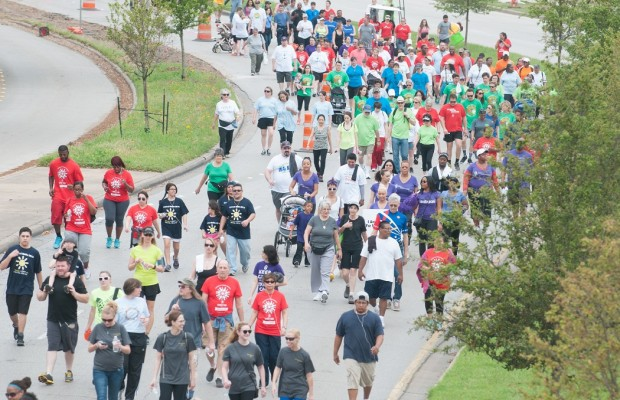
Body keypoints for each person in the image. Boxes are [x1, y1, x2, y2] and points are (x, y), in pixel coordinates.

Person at [36, 254, 89, 385]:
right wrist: (45, 291)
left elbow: (86, 299)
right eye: (58, 266)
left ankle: (69, 371)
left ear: (68, 266)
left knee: (69, 348)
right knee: (52, 346)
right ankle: (49, 374)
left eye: (62, 266)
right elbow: (40, 297)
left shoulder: (75, 280)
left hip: (69, 320)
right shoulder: (50, 279)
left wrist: (74, 292)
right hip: (53, 319)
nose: (60, 268)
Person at [333, 291, 384, 400]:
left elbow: (380, 335)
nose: (361, 305)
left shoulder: (375, 318)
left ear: (367, 304)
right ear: (355, 303)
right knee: (352, 380)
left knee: (368, 381)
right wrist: (335, 353)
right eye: (358, 302)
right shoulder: (345, 317)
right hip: (351, 355)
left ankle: (366, 398)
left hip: (369, 355)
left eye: (363, 303)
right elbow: (338, 336)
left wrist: (377, 346)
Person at [201, 260, 244, 388]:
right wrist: (203, 320)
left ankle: (219, 376)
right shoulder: (209, 281)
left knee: (222, 349)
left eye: (225, 267)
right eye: (220, 267)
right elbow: (203, 302)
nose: (223, 270)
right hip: (211, 320)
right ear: (217, 269)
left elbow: (239, 304)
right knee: (209, 349)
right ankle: (213, 365)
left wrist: (242, 322)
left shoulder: (234, 282)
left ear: (229, 269)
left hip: (226, 320)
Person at [0, 227, 42, 347]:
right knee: (12, 312)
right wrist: (10, 256)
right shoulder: (12, 249)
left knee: (23, 312)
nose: (25, 238)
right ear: (19, 237)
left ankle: (20, 335)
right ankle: (16, 325)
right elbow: (1, 267)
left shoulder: (35, 253)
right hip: (12, 287)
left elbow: (38, 271)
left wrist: (41, 287)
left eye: (27, 236)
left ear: (30, 238)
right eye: (23, 236)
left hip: (27, 288)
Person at [359, 221, 403, 327]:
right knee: (370, 297)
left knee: (384, 298)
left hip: (387, 276)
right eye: (386, 229)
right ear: (380, 229)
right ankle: (376, 308)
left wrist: (400, 274)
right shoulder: (371, 240)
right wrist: (360, 270)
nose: (389, 231)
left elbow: (398, 260)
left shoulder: (394, 243)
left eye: (390, 229)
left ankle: (381, 318)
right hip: (372, 275)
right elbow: (364, 257)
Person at [248, 272, 289, 387]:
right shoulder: (259, 296)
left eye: (272, 282)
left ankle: (274, 378)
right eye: (267, 282)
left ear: (275, 283)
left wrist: (284, 327)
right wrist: (248, 326)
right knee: (263, 356)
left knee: (274, 356)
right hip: (261, 330)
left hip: (275, 331)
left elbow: (285, 312)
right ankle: (263, 379)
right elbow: (255, 312)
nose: (270, 284)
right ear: (264, 283)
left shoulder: (280, 296)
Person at [167, 278, 215, 370]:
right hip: (177, 341)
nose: (180, 288)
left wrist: (211, 342)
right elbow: (166, 321)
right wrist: (172, 311)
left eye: (183, 286)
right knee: (179, 368)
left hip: (194, 341)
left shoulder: (199, 303)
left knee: (192, 368)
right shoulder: (176, 300)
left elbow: (207, 323)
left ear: (190, 289)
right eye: (179, 286)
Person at [150, 310, 198, 399]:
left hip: (182, 378)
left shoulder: (188, 338)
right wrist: (154, 378)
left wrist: (193, 378)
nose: (183, 323)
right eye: (180, 321)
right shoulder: (162, 338)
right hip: (166, 378)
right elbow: (158, 359)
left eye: (183, 321)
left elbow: (192, 359)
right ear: (173, 322)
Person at [88, 301, 131, 400]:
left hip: (116, 370)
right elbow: (89, 349)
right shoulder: (98, 328)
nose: (106, 322)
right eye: (104, 320)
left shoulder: (120, 328)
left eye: (109, 320)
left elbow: (128, 350)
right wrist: (97, 345)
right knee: (101, 397)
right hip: (100, 369)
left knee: (113, 397)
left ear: (114, 316)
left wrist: (120, 346)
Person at [116, 278, 150, 400]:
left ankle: (130, 396)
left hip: (139, 336)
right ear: (131, 288)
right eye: (138, 287)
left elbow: (147, 316)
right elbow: (114, 322)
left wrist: (145, 320)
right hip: (124, 336)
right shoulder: (118, 302)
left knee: (135, 370)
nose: (140, 290)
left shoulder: (141, 301)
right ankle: (119, 387)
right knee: (123, 367)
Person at [127, 226, 164, 339]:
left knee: (149, 309)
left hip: (151, 283)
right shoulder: (135, 250)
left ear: (152, 236)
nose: (148, 237)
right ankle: (136, 331)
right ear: (142, 235)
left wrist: (153, 266)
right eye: (146, 234)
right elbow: (129, 267)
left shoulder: (157, 250)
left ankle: (146, 333)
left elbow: (162, 268)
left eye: (150, 235)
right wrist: (135, 263)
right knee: (137, 308)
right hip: (138, 283)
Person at [304, 200, 341, 303]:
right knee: (316, 270)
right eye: (324, 209)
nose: (326, 211)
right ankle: (319, 291)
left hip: (328, 248)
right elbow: (306, 232)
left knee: (325, 271)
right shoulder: (314, 219)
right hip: (314, 248)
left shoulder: (332, 221)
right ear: (320, 209)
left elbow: (336, 236)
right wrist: (306, 243)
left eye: (328, 209)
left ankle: (324, 291)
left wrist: (339, 249)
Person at [417, 236, 457, 330]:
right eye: (436, 241)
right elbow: (421, 265)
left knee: (439, 301)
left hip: (441, 282)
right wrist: (427, 268)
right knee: (428, 299)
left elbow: (453, 264)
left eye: (440, 241)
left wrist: (445, 268)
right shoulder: (428, 252)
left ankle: (439, 321)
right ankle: (430, 319)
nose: (438, 243)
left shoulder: (448, 253)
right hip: (429, 281)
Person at [48, 145, 84, 249]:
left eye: (64, 154)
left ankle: (69, 238)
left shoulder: (74, 165)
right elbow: (51, 176)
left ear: (68, 152)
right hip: (58, 195)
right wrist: (51, 188)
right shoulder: (54, 164)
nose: (63, 156)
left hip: (70, 197)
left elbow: (80, 182)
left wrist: (73, 186)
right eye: (60, 155)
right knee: (55, 216)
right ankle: (58, 236)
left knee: (69, 219)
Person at [222, 322, 267, 399]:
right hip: (234, 385)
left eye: (249, 331)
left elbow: (261, 367)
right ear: (238, 332)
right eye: (245, 331)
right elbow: (224, 367)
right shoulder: (230, 348)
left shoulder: (255, 348)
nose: (247, 333)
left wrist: (263, 386)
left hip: (249, 385)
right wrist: (225, 380)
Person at [220, 183, 256, 275]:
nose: (236, 192)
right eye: (234, 190)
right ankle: (232, 269)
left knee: (245, 252)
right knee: (230, 250)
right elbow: (224, 216)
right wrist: (221, 229)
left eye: (238, 190)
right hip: (231, 231)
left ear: (242, 191)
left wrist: (247, 221)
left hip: (244, 233)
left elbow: (253, 214)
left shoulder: (247, 202)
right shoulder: (229, 203)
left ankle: (245, 263)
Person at [271, 328, 315, 400]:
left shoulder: (304, 355)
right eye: (286, 338)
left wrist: (311, 394)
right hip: (285, 389)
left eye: (291, 339)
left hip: (300, 389)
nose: (288, 341)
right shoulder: (283, 352)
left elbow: (309, 376)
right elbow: (277, 368)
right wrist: (273, 383)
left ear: (298, 339)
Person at [63, 181, 97, 273]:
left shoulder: (88, 198)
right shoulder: (70, 200)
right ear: (73, 190)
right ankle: (69, 266)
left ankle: (85, 267)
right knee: (69, 245)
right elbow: (66, 214)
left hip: (85, 229)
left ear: (83, 189)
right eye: (76, 190)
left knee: (84, 252)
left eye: (79, 189)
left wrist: (86, 200)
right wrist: (66, 215)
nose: (77, 191)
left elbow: (93, 212)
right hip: (72, 227)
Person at [265, 141, 303, 222]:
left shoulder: (296, 158)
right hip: (277, 190)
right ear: (281, 149)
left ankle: (289, 225)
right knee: (278, 209)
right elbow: (267, 171)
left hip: (291, 190)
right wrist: (269, 180)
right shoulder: (275, 159)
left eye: (288, 148)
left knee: (290, 209)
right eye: (284, 148)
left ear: (290, 149)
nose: (287, 150)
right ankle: (280, 225)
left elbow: (305, 169)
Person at [102, 156, 134, 249]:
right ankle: (109, 238)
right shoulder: (108, 173)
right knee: (109, 219)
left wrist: (125, 184)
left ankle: (117, 239)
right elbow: (104, 182)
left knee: (119, 220)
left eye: (118, 167)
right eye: (114, 167)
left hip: (122, 201)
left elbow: (131, 190)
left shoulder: (127, 174)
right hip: (109, 199)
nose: (116, 169)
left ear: (121, 165)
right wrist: (105, 187)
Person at [462, 148, 500, 228]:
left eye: (486, 154)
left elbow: (494, 179)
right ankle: (477, 227)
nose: (486, 155)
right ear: (478, 156)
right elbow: (466, 178)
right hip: (474, 192)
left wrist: (498, 191)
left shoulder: (490, 166)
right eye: (483, 154)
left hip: (487, 192)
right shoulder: (472, 166)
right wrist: (465, 190)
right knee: (475, 209)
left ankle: (486, 227)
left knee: (487, 209)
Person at [338, 201, 367, 304]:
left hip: (357, 246)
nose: (353, 210)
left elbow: (364, 233)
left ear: (357, 210)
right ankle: (348, 284)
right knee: (345, 273)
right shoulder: (344, 217)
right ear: (349, 209)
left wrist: (368, 245)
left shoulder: (361, 220)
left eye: (355, 208)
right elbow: (338, 232)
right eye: (351, 208)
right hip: (345, 246)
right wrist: (344, 226)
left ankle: (351, 294)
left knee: (353, 271)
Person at [84, 271, 123, 342]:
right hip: (99, 325)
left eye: (105, 278)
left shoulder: (118, 292)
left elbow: (123, 309)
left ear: (110, 280)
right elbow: (92, 311)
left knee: (114, 346)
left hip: (114, 324)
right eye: (100, 279)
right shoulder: (94, 293)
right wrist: (88, 326)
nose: (103, 280)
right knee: (100, 346)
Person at [158, 183, 189, 270]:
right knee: (167, 244)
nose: (173, 191)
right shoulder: (163, 202)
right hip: (166, 227)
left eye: (175, 189)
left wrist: (185, 224)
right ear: (167, 190)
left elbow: (184, 213)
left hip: (176, 227)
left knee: (176, 247)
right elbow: (159, 214)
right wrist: (162, 215)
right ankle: (168, 264)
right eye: (172, 189)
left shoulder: (179, 201)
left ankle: (175, 257)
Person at [502, 138, 534, 218]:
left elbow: (531, 169)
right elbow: (504, 168)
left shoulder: (528, 155)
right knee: (514, 204)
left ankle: (522, 221)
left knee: (523, 204)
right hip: (512, 183)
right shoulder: (509, 154)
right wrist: (502, 180)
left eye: (522, 143)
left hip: (524, 184)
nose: (520, 144)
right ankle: (515, 220)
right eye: (519, 142)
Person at [439, 177, 469, 256]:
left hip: (456, 220)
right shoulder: (443, 193)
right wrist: (440, 222)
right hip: (445, 220)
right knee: (445, 240)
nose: (452, 185)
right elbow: (440, 208)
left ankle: (454, 257)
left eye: (454, 183)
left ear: (457, 184)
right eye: (450, 183)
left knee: (455, 240)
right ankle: (445, 257)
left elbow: (466, 205)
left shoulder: (460, 194)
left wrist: (460, 209)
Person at [439, 93, 467, 170]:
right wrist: (444, 128)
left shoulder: (460, 106)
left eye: (454, 102)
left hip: (458, 129)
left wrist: (465, 128)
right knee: (449, 147)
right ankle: (449, 163)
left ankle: (457, 162)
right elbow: (441, 118)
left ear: (456, 100)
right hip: (448, 130)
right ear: (449, 100)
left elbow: (464, 117)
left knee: (459, 145)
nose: (453, 103)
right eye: (451, 102)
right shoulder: (445, 107)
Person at [213, 88, 241, 157]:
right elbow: (216, 114)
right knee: (222, 139)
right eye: (224, 94)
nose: (226, 96)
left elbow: (237, 111)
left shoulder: (232, 103)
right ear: (221, 95)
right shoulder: (218, 104)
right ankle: (222, 154)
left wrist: (238, 116)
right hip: (222, 124)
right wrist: (213, 122)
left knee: (229, 140)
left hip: (230, 124)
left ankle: (227, 152)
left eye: (227, 94)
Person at [389, 97, 415, 171]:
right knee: (395, 155)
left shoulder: (408, 111)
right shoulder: (394, 111)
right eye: (398, 103)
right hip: (395, 136)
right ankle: (397, 171)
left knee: (404, 155)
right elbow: (390, 124)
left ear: (404, 103)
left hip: (404, 137)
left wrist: (407, 116)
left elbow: (414, 123)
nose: (400, 104)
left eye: (401, 103)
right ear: (397, 103)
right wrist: (388, 137)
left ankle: (404, 170)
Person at [354, 104, 380, 174]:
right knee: (360, 157)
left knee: (369, 155)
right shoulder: (358, 118)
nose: (367, 113)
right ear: (363, 110)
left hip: (370, 140)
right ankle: (362, 167)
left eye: (368, 112)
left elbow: (376, 130)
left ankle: (367, 172)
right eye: (366, 112)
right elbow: (354, 129)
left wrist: (378, 140)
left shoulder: (373, 119)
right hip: (360, 141)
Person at [254, 86, 279, 156]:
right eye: (265, 91)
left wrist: (274, 123)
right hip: (262, 118)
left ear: (271, 92)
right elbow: (256, 108)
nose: (266, 92)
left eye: (268, 91)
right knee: (263, 134)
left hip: (271, 118)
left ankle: (269, 148)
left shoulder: (274, 100)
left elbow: (276, 112)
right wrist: (254, 118)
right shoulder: (260, 99)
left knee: (271, 133)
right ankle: (263, 148)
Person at [290, 200, 314, 268]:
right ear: (304, 207)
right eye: (308, 206)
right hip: (300, 235)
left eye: (311, 207)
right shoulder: (300, 215)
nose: (309, 208)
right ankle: (296, 261)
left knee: (307, 250)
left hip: (309, 236)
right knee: (299, 249)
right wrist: (291, 232)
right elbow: (294, 224)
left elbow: (314, 226)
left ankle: (307, 261)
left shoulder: (312, 216)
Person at [308, 114, 333, 181]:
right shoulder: (315, 128)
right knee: (315, 162)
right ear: (317, 120)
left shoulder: (327, 128)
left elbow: (329, 139)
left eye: (322, 120)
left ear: (324, 121)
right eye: (319, 120)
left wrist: (331, 148)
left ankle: (321, 175)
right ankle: (318, 171)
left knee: (322, 160)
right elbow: (311, 136)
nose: (321, 121)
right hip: (316, 147)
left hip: (324, 147)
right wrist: (308, 144)